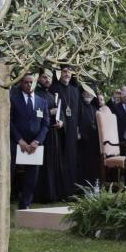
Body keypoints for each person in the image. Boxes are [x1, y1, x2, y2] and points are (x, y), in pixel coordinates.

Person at [10, 72, 50, 209]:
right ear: (21, 84)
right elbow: (9, 122)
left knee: (32, 177)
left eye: (31, 82)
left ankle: (25, 203)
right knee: (10, 173)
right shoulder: (13, 99)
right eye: (26, 82)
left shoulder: (42, 102)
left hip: (35, 145)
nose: (28, 84)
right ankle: (0, 203)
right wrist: (19, 140)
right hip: (16, 142)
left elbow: (45, 124)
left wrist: (37, 141)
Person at [49, 66, 80, 199]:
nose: (67, 74)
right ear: (59, 74)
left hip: (72, 129)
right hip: (60, 129)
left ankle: (70, 191)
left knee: (71, 159)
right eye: (64, 72)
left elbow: (78, 111)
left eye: (69, 72)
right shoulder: (54, 88)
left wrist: (78, 128)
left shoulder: (75, 90)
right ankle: (59, 192)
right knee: (60, 158)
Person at [32, 68, 61, 203]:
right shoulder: (35, 94)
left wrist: (61, 122)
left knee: (51, 164)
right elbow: (35, 114)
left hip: (53, 134)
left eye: (49, 77)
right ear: (38, 79)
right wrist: (50, 112)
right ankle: (40, 195)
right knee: (40, 166)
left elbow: (58, 114)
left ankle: (51, 194)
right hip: (41, 135)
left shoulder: (50, 95)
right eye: (44, 77)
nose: (47, 79)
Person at [76, 83, 101, 189]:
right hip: (80, 141)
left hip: (93, 142)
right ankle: (80, 188)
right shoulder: (78, 105)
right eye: (86, 92)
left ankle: (91, 187)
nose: (88, 94)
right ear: (82, 92)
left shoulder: (94, 108)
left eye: (91, 93)